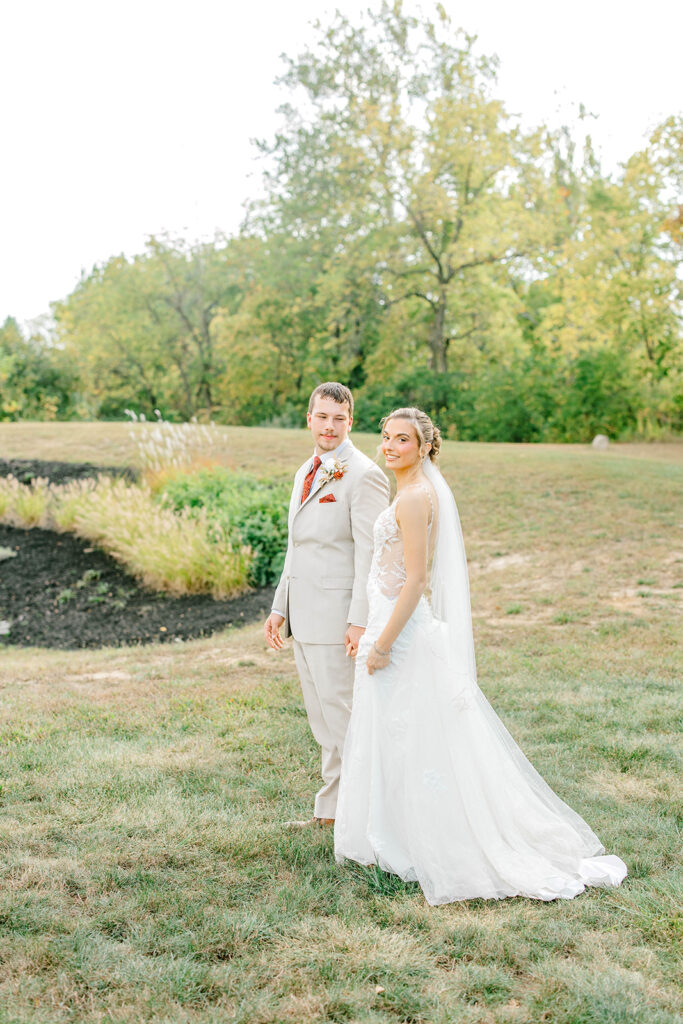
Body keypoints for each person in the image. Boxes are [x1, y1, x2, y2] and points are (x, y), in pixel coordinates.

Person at [334, 407, 627, 904]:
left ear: (424, 446)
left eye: (401, 439)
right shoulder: (409, 490)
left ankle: (419, 839)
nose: (389, 446)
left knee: (411, 734)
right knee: (397, 733)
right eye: (385, 437)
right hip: (390, 624)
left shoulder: (415, 498)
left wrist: (382, 644)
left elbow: (416, 581)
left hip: (399, 635)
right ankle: (393, 832)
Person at [264, 383, 390, 827]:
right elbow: (295, 546)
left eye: (339, 418)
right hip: (304, 616)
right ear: (309, 419)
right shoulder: (306, 470)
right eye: (322, 417)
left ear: (350, 421)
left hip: (339, 622)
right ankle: (332, 814)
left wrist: (359, 620)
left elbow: (370, 555)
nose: (329, 426)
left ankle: (367, 816)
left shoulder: (364, 474)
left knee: (344, 721)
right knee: (324, 723)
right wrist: (281, 607)